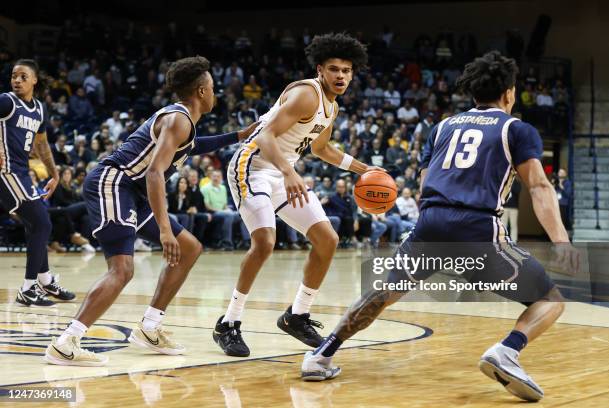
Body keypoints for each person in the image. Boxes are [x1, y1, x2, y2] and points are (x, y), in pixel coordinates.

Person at [302, 51, 580, 403]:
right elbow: (539, 187)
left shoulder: (443, 127)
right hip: (476, 229)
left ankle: (320, 355)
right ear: (509, 93)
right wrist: (561, 241)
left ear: (473, 94)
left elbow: (422, 185)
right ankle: (506, 351)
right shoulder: (517, 129)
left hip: (430, 223)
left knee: (381, 294)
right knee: (549, 299)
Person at [45, 56, 256, 366]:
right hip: (114, 183)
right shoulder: (179, 120)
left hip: (133, 191)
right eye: (212, 88)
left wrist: (238, 136)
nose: (216, 93)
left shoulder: (184, 124)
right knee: (123, 269)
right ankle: (66, 342)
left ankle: (150, 326)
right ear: (200, 91)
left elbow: (192, 147)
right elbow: (154, 173)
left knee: (190, 248)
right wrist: (165, 229)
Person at [217, 33, 382, 357]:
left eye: (346, 71)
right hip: (252, 166)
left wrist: (365, 170)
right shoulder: (307, 94)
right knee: (264, 241)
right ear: (320, 69)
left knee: (327, 239)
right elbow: (265, 135)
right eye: (334, 69)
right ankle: (229, 322)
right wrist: (291, 173)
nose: (340, 76)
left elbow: (322, 149)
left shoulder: (330, 107)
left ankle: (297, 315)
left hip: (282, 172)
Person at [0, 59, 75, 307]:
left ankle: (45, 279)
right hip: (6, 171)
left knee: (36, 224)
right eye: (14, 76)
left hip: (22, 172)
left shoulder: (40, 109)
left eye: (23, 76)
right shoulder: (6, 101)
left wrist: (54, 174)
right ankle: (27, 288)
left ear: (34, 80)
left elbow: (42, 145)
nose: (17, 80)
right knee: (42, 222)